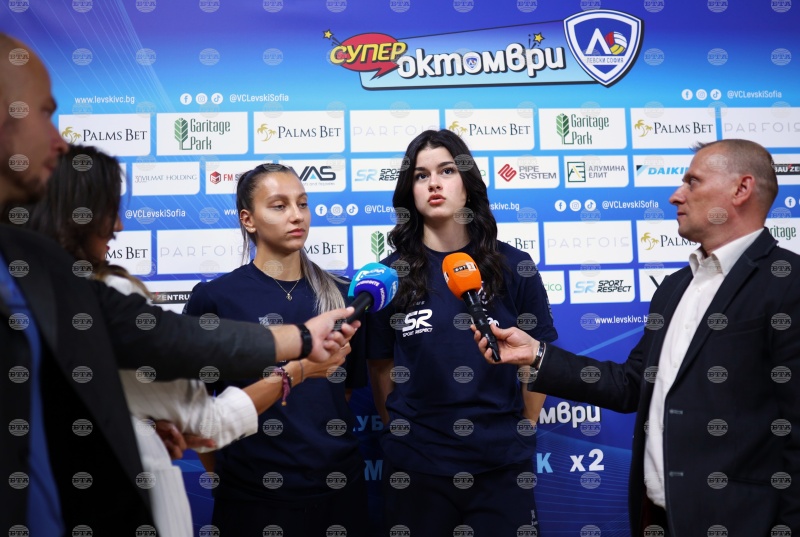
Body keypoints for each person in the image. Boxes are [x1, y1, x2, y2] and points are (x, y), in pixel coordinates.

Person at [0, 32, 356, 535]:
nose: (119, 226)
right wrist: (297, 359)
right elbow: (205, 417)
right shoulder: (207, 294)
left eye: (302, 203)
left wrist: (135, 431)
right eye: (43, 112)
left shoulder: (47, 271)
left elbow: (163, 342)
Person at [474, 139, 800, 535]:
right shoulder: (675, 287)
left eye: (692, 182)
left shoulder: (788, 282)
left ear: (741, 189)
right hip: (657, 517)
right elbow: (631, 385)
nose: (676, 195)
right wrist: (536, 354)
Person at [365, 129, 558, 536]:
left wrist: (523, 427)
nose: (433, 183)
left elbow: (538, 359)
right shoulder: (389, 276)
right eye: (421, 175)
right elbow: (381, 367)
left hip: (501, 465)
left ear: (467, 185)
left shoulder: (515, 266)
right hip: (417, 468)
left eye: (446, 171)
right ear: (410, 192)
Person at [183, 163, 370, 537]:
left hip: (339, 491)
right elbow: (195, 410)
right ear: (248, 220)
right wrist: (232, 479)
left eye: (302, 203)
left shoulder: (343, 294)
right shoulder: (215, 298)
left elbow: (341, 392)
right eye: (279, 205)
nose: (297, 215)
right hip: (252, 499)